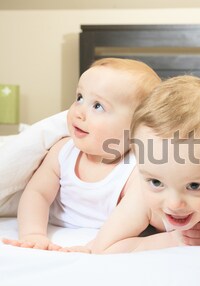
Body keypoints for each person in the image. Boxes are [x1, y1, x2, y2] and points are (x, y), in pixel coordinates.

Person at [69, 75, 200, 254]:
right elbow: (104, 247)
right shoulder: (141, 199)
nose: (174, 204)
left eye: (194, 186)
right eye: (156, 183)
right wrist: (174, 239)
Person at [2, 58, 161, 250]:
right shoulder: (63, 151)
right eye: (79, 98)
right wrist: (33, 234)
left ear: (136, 126)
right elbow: (37, 193)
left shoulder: (135, 169)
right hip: (53, 223)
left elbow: (135, 215)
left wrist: (96, 246)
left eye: (97, 106)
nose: (79, 112)